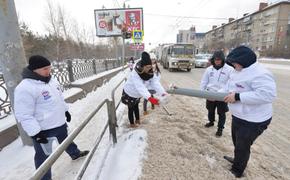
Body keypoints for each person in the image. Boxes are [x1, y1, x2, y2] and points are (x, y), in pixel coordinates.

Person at [14, 55, 89, 180]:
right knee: (43, 156)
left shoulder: (51, 80)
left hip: (59, 122)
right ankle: (43, 177)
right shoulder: (25, 88)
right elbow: (24, 115)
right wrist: (35, 133)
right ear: (34, 69)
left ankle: (74, 154)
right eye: (45, 68)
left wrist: (65, 111)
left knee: (67, 140)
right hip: (44, 129)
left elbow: (59, 98)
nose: (49, 71)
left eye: (49, 67)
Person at [223, 46, 276, 178]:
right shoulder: (236, 71)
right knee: (237, 141)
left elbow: (268, 95)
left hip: (254, 120)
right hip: (238, 116)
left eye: (235, 63)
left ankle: (237, 170)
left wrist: (238, 97)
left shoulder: (261, 73)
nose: (233, 65)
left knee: (242, 146)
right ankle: (238, 159)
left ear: (244, 61)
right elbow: (229, 88)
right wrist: (215, 95)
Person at [122, 52, 167, 128]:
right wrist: (150, 98)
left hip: (137, 95)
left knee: (136, 107)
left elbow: (155, 82)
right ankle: (132, 124)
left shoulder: (150, 72)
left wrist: (162, 93)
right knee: (131, 109)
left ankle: (138, 120)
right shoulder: (135, 73)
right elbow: (140, 87)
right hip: (129, 93)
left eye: (150, 67)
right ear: (142, 66)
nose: (149, 69)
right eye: (147, 67)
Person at [200, 51, 233, 136]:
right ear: (213, 60)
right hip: (210, 93)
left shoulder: (229, 69)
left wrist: (221, 93)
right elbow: (204, 81)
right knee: (210, 110)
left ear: (223, 60)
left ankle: (220, 128)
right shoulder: (209, 69)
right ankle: (211, 121)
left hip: (222, 95)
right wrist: (202, 92)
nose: (217, 61)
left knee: (221, 112)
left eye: (219, 59)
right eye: (215, 59)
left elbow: (231, 83)